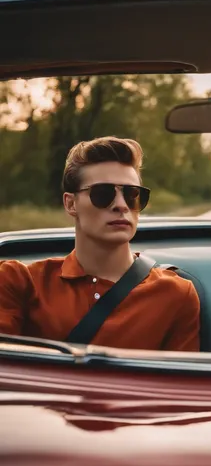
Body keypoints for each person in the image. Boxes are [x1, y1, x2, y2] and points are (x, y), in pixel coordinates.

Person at [0, 136, 200, 351]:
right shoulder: (20, 282)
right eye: (103, 194)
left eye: (132, 194)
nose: (121, 205)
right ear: (70, 203)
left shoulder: (175, 293)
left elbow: (178, 383)